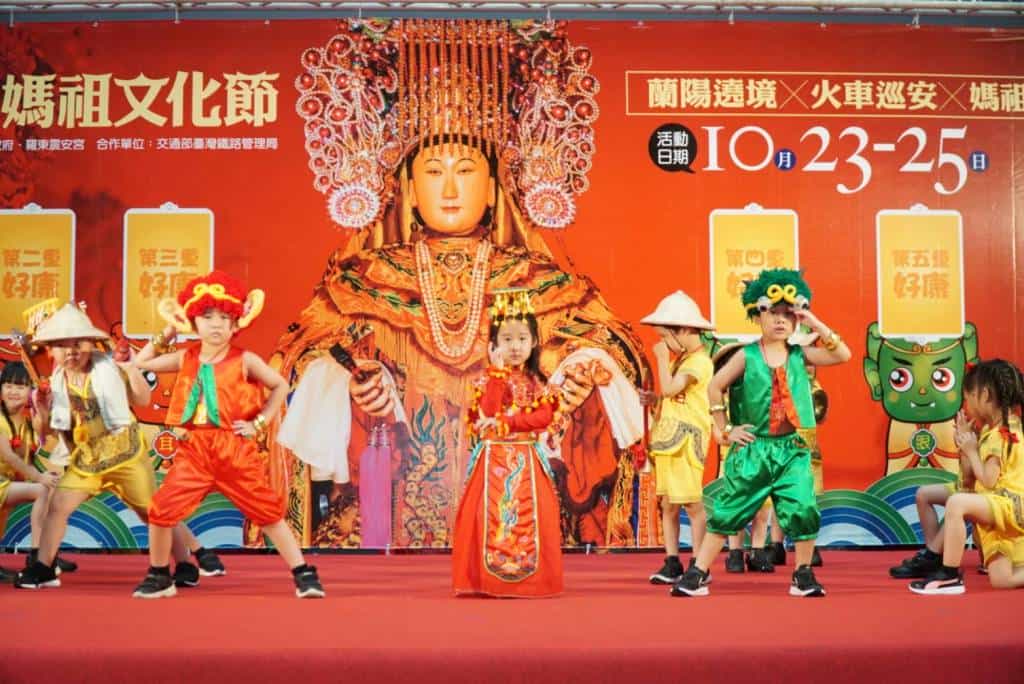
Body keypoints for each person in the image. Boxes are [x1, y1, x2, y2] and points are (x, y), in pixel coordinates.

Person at [274, 19, 650, 552]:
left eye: (467, 170)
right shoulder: (362, 280)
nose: (450, 188)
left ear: (494, 188)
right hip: (387, 505)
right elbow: (299, 358)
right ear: (408, 189)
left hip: (515, 488)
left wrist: (579, 369)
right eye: (433, 171)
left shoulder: (541, 279)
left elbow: (617, 350)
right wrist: (348, 382)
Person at [130, 271, 324, 599]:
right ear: (194, 322)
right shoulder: (185, 357)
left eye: (224, 318)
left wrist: (259, 423)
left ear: (236, 324)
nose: (216, 325)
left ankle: (303, 572)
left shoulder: (245, 359)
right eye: (207, 317)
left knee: (268, 513)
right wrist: (170, 330)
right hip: (194, 450)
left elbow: (280, 386)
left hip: (233, 449)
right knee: (161, 510)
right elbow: (141, 363)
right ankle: (159, 575)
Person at [671, 269, 851, 598]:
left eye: (788, 314)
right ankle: (698, 571)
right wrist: (725, 428)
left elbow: (843, 355)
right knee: (729, 510)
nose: (781, 320)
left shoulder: (801, 355)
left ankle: (803, 573)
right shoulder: (747, 355)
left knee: (803, 508)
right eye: (772, 312)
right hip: (754, 450)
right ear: (757, 315)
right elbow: (714, 387)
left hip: (791, 450)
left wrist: (812, 320)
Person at [15, 303, 221, 590]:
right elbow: (48, 431)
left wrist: (130, 369)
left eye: (77, 343)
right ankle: (43, 568)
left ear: (91, 343)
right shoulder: (57, 382)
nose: (71, 351)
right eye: (62, 345)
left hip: (126, 455)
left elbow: (143, 400)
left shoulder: (109, 368)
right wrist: (43, 409)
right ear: (51, 350)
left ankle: (185, 563)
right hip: (88, 460)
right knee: (58, 505)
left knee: (154, 514)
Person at [452, 289, 564, 597]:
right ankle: (489, 581)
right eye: (507, 339)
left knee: (535, 519)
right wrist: (498, 373)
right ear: (494, 345)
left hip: (527, 459)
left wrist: (508, 422)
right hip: (492, 461)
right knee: (485, 517)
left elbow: (543, 417)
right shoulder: (487, 379)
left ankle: (531, 581)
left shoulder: (539, 382)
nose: (515, 346)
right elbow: (488, 410)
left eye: (522, 339)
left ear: (534, 341)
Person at [909, 359, 1024, 594]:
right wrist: (965, 445)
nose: (967, 405)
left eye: (969, 397)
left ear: (985, 395)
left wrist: (971, 450)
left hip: (1009, 505)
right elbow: (970, 481)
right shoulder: (995, 429)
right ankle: (938, 558)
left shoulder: (1001, 434)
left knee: (957, 503)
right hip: (1000, 504)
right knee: (1001, 580)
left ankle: (949, 575)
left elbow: (989, 481)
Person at [637, 292, 713, 585]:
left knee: (692, 505)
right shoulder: (681, 360)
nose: (663, 343)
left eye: (664, 336)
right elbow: (669, 397)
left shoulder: (700, 362)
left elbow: (671, 389)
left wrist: (659, 358)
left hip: (686, 442)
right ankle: (672, 561)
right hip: (668, 439)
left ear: (682, 330)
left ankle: (699, 564)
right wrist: (654, 399)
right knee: (668, 504)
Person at [0, 361, 60, 581]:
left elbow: (48, 432)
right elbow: (9, 456)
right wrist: (38, 477)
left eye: (20, 386)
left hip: (6, 483)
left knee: (50, 487)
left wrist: (42, 408)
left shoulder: (26, 424)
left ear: (30, 391)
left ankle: (48, 554)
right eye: (8, 385)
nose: (13, 391)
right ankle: (37, 556)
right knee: (42, 489)